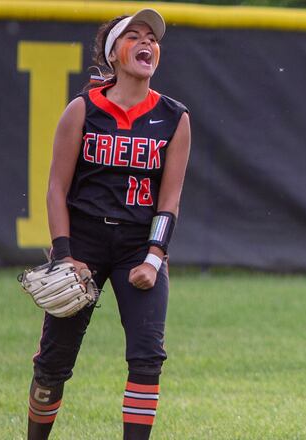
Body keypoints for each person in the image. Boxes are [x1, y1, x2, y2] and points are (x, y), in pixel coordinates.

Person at [25, 9, 191, 440]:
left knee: (147, 356)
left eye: (152, 37)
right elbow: (55, 189)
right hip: (85, 240)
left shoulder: (175, 117)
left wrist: (154, 257)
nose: (147, 43)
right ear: (113, 54)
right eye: (133, 36)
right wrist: (64, 256)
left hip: (139, 242)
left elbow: (169, 199)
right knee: (54, 362)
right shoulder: (82, 110)